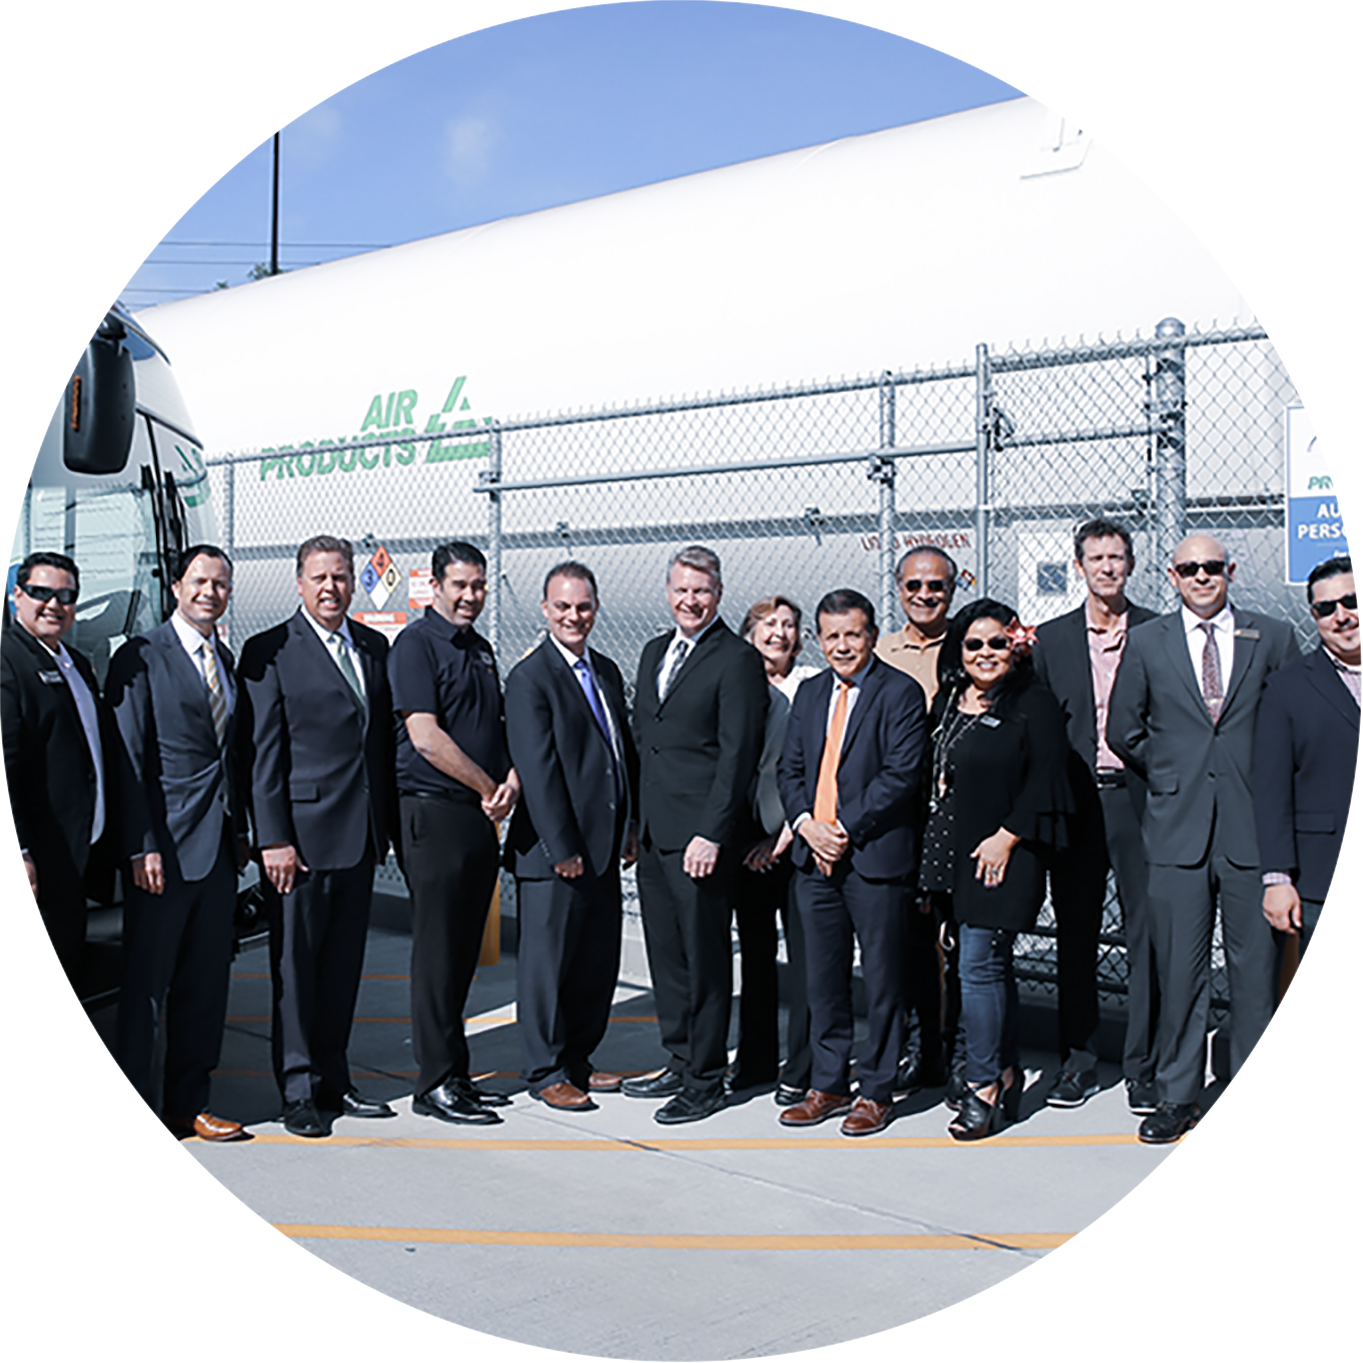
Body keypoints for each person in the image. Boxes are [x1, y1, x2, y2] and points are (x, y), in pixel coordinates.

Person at [1108, 533, 1298, 1152]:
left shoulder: (1270, 637)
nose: (1201, 577)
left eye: (1212, 568)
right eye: (1189, 568)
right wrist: (1167, 772)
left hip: (1251, 831)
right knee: (1180, 972)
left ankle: (1252, 1105)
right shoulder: (1149, 640)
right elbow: (1123, 728)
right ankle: (1177, 1097)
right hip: (1175, 830)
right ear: (1172, 574)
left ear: (1230, 572)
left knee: (1254, 975)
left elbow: (1289, 725)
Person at [237, 536, 398, 1138]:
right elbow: (262, 757)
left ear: (353, 582)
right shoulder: (271, 651)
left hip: (357, 838)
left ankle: (335, 1076)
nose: (331, 588)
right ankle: (298, 1088)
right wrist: (272, 839)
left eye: (340, 577)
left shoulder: (373, 647)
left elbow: (378, 744)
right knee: (297, 971)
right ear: (299, 583)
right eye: (319, 578)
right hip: (298, 844)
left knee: (341, 969)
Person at [108, 545, 248, 1160]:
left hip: (218, 850)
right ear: (175, 587)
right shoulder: (141, 657)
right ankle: (135, 1116)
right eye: (199, 582)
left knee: (205, 986)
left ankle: (188, 1102)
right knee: (146, 989)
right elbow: (128, 760)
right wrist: (140, 846)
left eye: (220, 584)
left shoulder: (226, 658)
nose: (209, 593)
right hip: (162, 851)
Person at [918, 599, 1071, 1140]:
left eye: (997, 642)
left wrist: (1007, 838)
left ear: (1016, 645)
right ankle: (1004, 1070)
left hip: (1004, 856)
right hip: (953, 859)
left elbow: (1049, 779)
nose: (986, 653)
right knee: (986, 968)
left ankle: (982, 1083)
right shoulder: (949, 703)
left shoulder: (1034, 703)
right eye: (974, 644)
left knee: (978, 965)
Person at [626, 545, 768, 1124]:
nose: (691, 600)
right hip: (656, 834)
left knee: (706, 958)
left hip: (700, 840)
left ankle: (707, 1078)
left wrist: (712, 833)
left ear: (719, 594)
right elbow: (643, 742)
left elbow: (737, 755)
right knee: (667, 956)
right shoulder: (655, 650)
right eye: (682, 590)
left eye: (702, 591)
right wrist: (635, 826)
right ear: (668, 591)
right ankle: (680, 1059)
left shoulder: (735, 659)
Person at [777, 588, 926, 1137]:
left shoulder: (900, 693)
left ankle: (878, 1090)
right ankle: (829, 1083)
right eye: (832, 636)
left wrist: (842, 828)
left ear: (871, 636)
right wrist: (806, 825)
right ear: (820, 639)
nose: (843, 646)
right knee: (822, 979)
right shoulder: (812, 693)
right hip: (813, 857)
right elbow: (789, 771)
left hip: (873, 859)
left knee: (884, 979)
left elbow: (901, 776)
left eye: (854, 635)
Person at [389, 541, 517, 1125]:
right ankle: (433, 1082)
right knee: (439, 955)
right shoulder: (416, 646)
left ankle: (457, 1073)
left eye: (479, 586)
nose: (471, 596)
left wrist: (509, 782)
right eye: (460, 585)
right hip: (434, 812)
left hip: (477, 816)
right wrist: (489, 784)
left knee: (465, 951)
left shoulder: (482, 650)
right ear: (435, 586)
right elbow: (426, 738)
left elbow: (498, 726)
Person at [1032, 518, 1158, 1112]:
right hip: (1077, 805)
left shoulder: (1158, 632)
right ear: (1078, 566)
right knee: (1075, 938)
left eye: (1117, 557)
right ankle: (1077, 1063)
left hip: (1140, 803)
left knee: (1146, 936)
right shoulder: (1052, 641)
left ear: (1131, 564)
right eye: (1096, 558)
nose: (1107, 567)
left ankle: (1144, 1066)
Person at [504, 562, 638, 1110]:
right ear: (545, 609)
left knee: (593, 964)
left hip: (604, 847)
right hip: (555, 854)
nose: (573, 616)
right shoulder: (530, 677)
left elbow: (619, 755)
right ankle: (545, 1068)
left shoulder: (603, 669)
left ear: (596, 607)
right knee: (548, 967)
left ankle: (579, 1059)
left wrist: (629, 824)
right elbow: (538, 771)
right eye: (562, 606)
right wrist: (562, 849)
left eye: (582, 606)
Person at [0, 553, 107, 1185]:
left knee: (47, 1009)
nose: (54, 604)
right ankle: (10, 1134)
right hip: (27, 874)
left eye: (66, 595)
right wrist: (10, 852)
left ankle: (36, 1121)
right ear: (17, 595)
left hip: (69, 867)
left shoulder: (72, 662)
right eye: (41, 592)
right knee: (17, 1009)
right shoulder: (9, 661)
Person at [1253, 555, 1360, 1170]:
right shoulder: (1291, 685)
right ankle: (1328, 1116)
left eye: (1352, 601)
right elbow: (1272, 788)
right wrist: (1277, 878)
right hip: (1328, 869)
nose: (1343, 616)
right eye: (1327, 608)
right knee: (1327, 999)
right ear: (1313, 616)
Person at [730, 595, 820, 1104]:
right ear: (750, 633)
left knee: (806, 957)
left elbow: (812, 765)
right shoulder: (738, 682)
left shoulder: (808, 685)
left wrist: (784, 835)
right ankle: (756, 1059)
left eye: (789, 625)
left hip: (793, 836)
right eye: (769, 624)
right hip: (747, 837)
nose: (779, 633)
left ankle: (802, 1065)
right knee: (757, 955)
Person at [875, 546, 958, 1096]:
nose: (925, 595)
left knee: (957, 949)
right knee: (905, 947)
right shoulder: (881, 651)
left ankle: (952, 1051)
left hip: (955, 818)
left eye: (936, 586)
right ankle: (915, 1049)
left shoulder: (971, 643)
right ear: (899, 589)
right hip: (898, 819)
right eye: (914, 586)